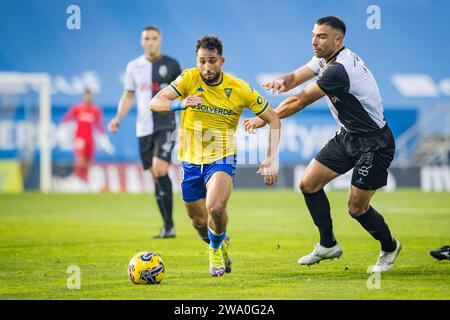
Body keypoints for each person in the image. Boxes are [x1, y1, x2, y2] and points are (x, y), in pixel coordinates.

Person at [244, 16, 401, 273]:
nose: (314, 41)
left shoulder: (338, 69)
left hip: (374, 143)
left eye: (321, 36)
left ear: (338, 40)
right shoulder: (325, 59)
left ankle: (389, 246)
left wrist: (266, 118)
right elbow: (294, 78)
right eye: (314, 35)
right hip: (348, 136)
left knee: (356, 208)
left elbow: (299, 101)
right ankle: (327, 245)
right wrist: (281, 82)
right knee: (309, 184)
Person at [149, 35, 281, 277]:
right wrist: (181, 104)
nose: (206, 67)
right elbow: (156, 102)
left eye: (212, 61)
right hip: (189, 161)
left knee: (216, 207)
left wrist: (271, 158)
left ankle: (215, 250)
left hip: (221, 157)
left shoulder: (239, 88)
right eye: (201, 61)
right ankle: (218, 244)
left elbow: (273, 118)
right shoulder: (188, 78)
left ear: (222, 60)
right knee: (199, 222)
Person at [108, 26, 182, 239]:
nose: (150, 42)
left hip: (166, 124)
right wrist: (118, 119)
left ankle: (169, 226)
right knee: (155, 175)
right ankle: (167, 225)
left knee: (160, 169)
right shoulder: (134, 67)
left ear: (160, 40)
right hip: (143, 128)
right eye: (146, 38)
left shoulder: (172, 65)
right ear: (142, 42)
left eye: (154, 38)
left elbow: (185, 93)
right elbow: (128, 96)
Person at [61, 89, 114, 188]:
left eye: (89, 96)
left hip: (89, 138)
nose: (88, 98)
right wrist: (63, 132)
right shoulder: (77, 108)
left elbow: (99, 126)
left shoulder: (95, 110)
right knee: (80, 159)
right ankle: (77, 180)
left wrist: (105, 141)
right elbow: (66, 119)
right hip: (79, 137)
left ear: (92, 97)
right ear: (84, 96)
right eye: (86, 96)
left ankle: (84, 181)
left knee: (88, 161)